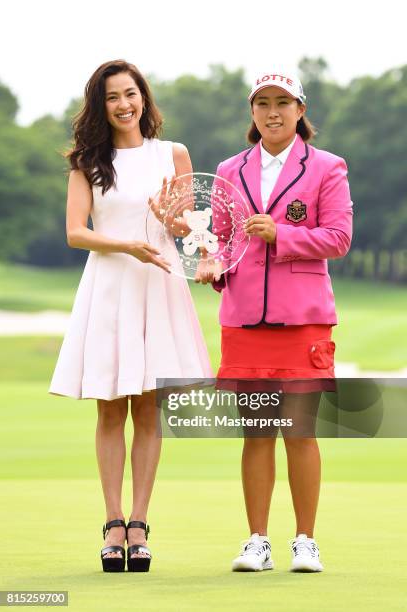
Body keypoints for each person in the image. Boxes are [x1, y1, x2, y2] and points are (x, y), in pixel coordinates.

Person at [48, 60, 212, 573]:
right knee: (110, 409)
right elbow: (76, 231)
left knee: (147, 410)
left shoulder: (174, 154)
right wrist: (127, 245)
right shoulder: (86, 161)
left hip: (159, 286)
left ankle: (139, 524)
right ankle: (112, 520)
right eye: (112, 97)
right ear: (100, 106)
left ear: (144, 97)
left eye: (130, 93)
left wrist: (170, 221)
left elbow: (189, 231)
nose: (124, 104)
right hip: (111, 287)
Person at [196, 71, 353, 572]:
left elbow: (338, 238)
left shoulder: (326, 167)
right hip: (244, 322)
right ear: (252, 112)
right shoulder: (229, 169)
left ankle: (306, 540)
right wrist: (213, 264)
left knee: (300, 433)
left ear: (301, 109)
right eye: (262, 103)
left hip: (303, 322)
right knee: (257, 433)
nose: (272, 112)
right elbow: (223, 239)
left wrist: (280, 234)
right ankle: (257, 541)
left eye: (282, 102)